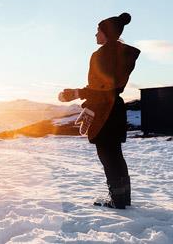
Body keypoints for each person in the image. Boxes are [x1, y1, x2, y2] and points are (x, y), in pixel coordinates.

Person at [58, 12, 140, 209]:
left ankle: (118, 201)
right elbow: (110, 90)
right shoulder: (121, 55)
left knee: (107, 156)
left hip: (104, 113)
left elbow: (100, 90)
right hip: (116, 110)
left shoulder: (100, 56)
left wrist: (75, 93)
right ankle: (123, 199)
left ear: (106, 34)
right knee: (116, 156)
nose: (95, 35)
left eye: (98, 31)